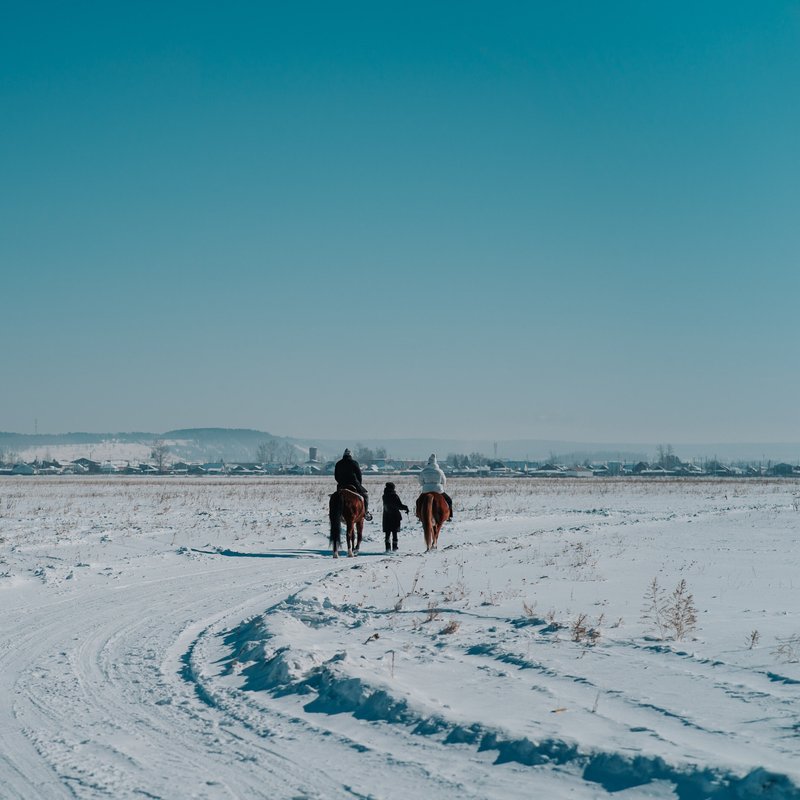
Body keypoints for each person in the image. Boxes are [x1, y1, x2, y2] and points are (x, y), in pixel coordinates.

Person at [334, 448, 372, 520]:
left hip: (342, 486)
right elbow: (359, 475)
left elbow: (336, 476)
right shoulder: (354, 463)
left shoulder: (338, 463)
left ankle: (336, 513)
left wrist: (341, 482)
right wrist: (359, 485)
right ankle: (365, 513)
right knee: (365, 496)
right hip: (354, 484)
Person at [417, 453, 453, 520]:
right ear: (436, 463)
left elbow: (420, 481)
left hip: (426, 491)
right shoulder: (440, 471)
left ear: (428, 463)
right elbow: (444, 481)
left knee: (418, 501)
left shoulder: (424, 471)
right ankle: (449, 516)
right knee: (449, 500)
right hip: (438, 490)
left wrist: (425, 485)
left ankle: (419, 515)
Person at [382, 482, 409, 552]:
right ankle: (394, 548)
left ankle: (387, 548)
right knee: (394, 533)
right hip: (394, 517)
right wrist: (406, 508)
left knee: (387, 534)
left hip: (386, 517)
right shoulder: (394, 496)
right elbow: (399, 506)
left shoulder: (384, 496)